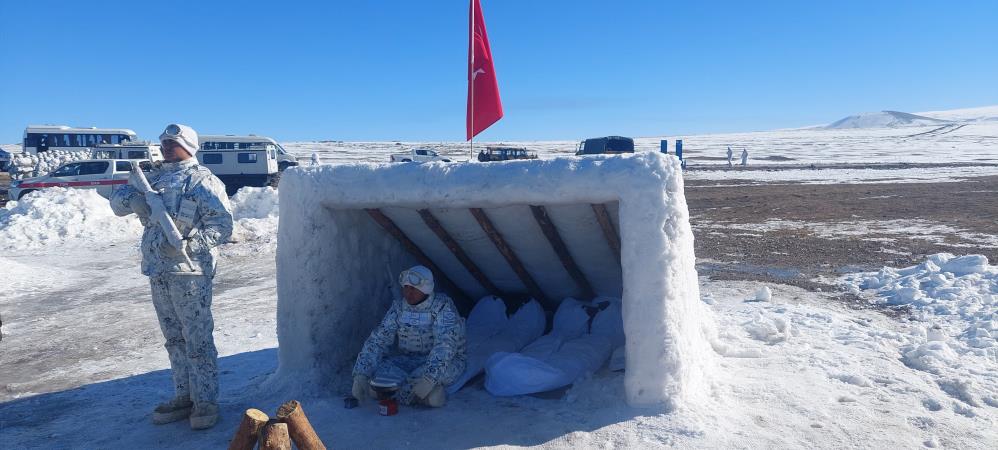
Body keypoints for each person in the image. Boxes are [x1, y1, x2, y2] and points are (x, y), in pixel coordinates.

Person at [110, 124, 233, 430]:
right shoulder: (153, 177)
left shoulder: (202, 180)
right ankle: (184, 396)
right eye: (163, 141)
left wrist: (189, 245)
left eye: (172, 142)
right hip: (158, 270)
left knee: (197, 339)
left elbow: (222, 224)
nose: (165, 146)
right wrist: (131, 199)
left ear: (189, 145)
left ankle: (205, 401)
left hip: (190, 271)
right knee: (173, 340)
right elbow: (118, 200)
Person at [351, 265, 467, 407]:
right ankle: (420, 396)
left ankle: (419, 393)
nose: (408, 292)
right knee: (378, 375)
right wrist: (361, 374)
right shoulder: (399, 308)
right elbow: (378, 340)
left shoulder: (442, 307)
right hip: (408, 360)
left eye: (413, 288)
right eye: (406, 287)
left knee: (419, 379)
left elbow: (445, 345)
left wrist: (429, 378)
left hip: (445, 361)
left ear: (426, 289)